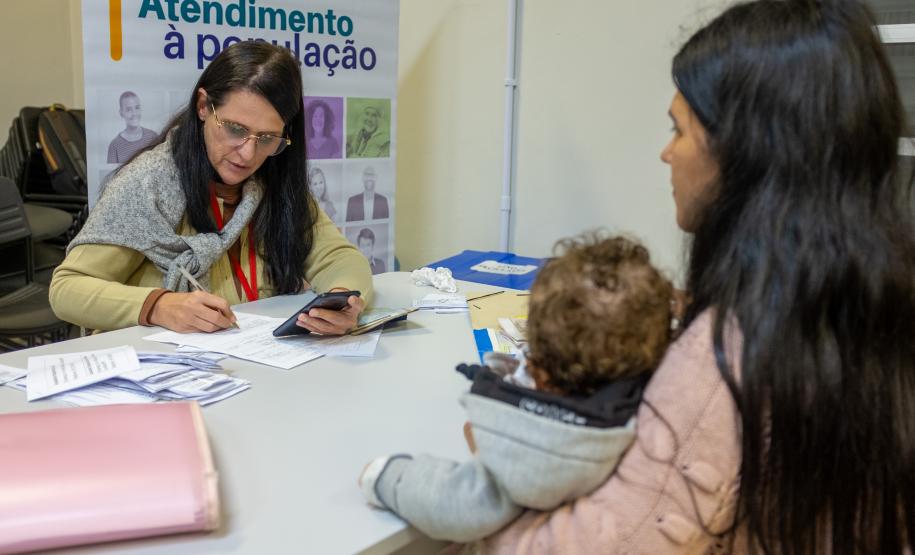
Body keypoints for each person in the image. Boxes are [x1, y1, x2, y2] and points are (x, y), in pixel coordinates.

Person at [479, 1, 915, 553]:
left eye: (678, 129)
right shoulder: (872, 303)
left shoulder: (727, 356)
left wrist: (477, 501)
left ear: (750, 153)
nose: (667, 153)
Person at [359, 234, 673, 542]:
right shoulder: (644, 405)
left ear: (541, 372)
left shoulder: (543, 446)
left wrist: (387, 476)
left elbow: (459, 504)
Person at [50, 42, 372, 335]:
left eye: (266, 138)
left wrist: (344, 301)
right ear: (204, 106)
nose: (248, 154)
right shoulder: (149, 181)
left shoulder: (275, 177)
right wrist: (157, 306)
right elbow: (67, 289)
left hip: (259, 368)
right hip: (167, 375)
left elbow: (339, 258)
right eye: (235, 129)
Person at [107, 91, 158, 164]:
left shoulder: (153, 137)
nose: (134, 113)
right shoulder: (115, 145)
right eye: (128, 109)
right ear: (121, 113)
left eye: (137, 107)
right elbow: (112, 174)